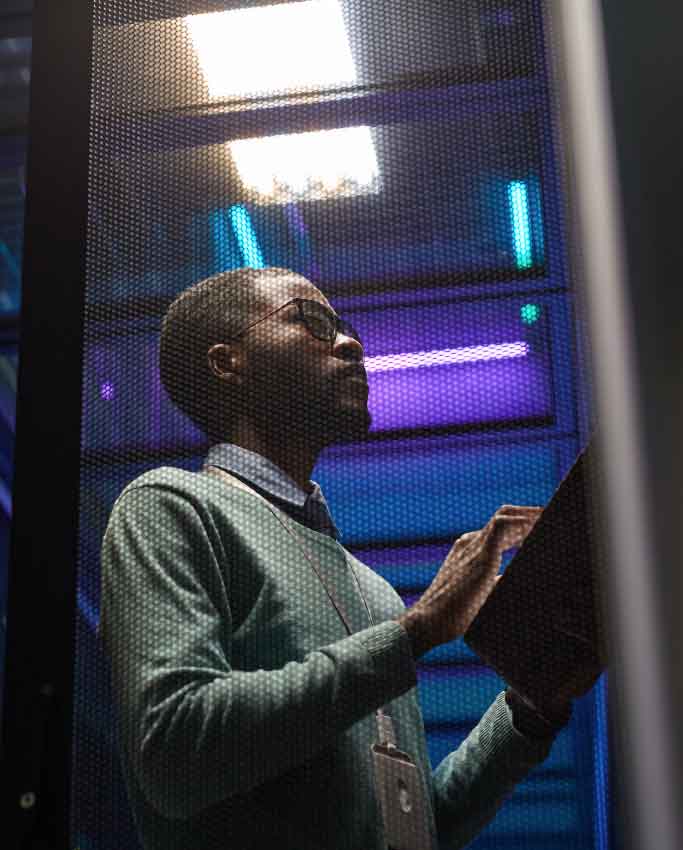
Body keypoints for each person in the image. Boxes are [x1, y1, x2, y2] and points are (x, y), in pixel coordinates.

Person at [100, 267, 574, 850]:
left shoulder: (371, 587)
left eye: (344, 327)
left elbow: (417, 827)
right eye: (312, 321)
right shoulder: (170, 505)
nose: (351, 342)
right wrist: (416, 632)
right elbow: (175, 753)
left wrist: (527, 712)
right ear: (227, 363)